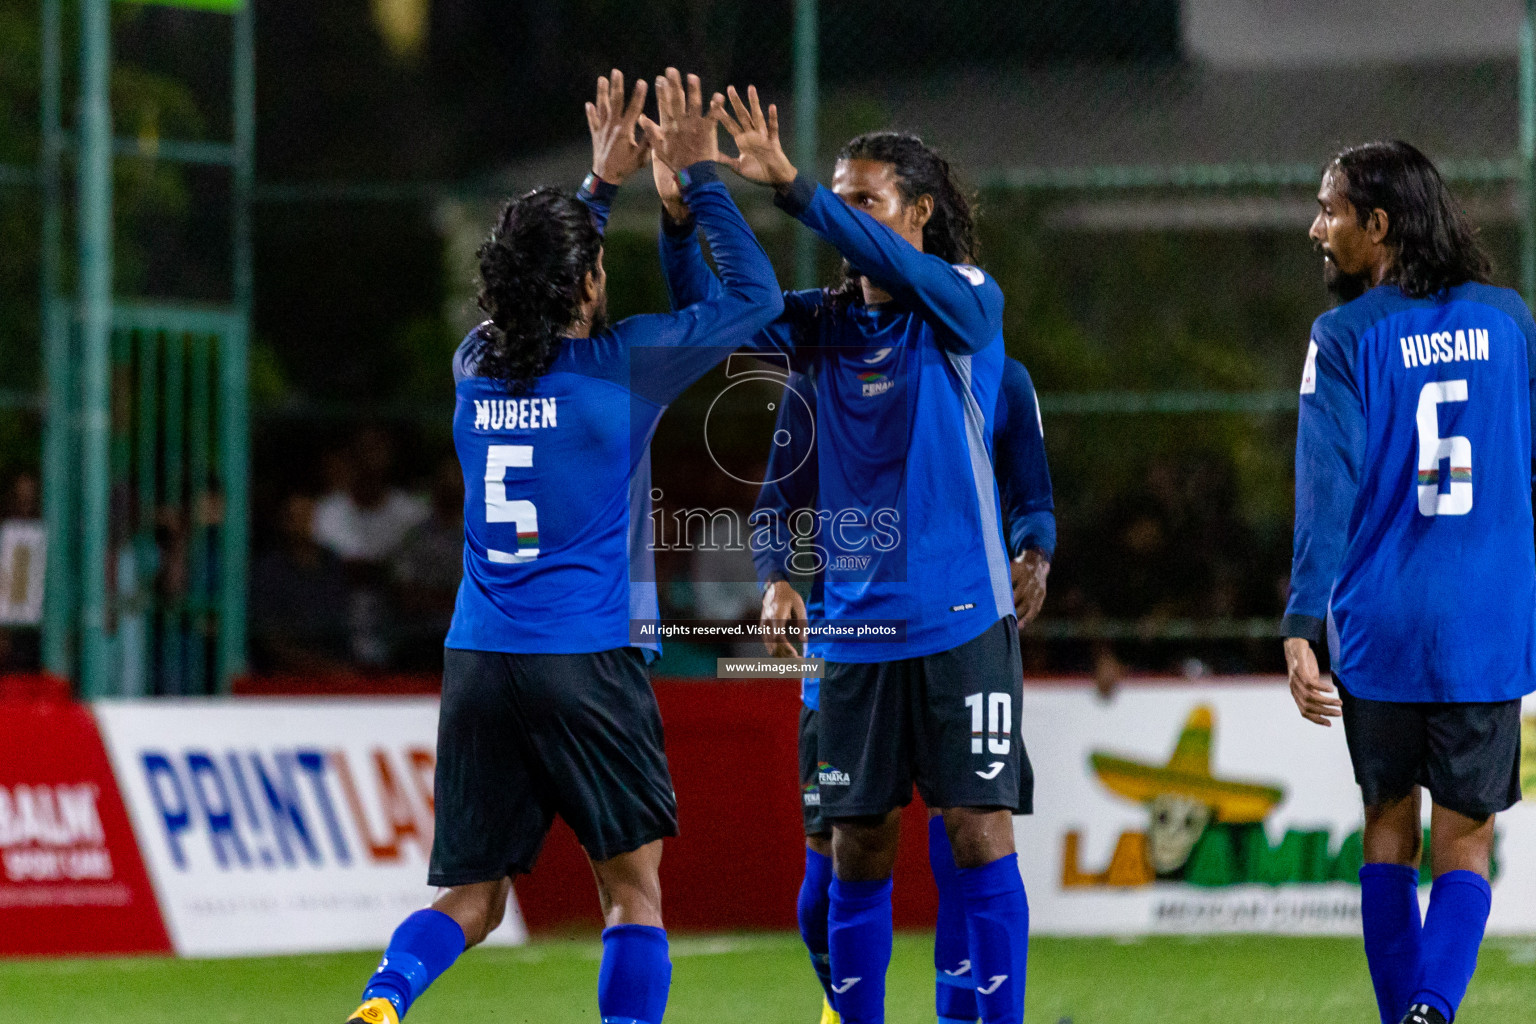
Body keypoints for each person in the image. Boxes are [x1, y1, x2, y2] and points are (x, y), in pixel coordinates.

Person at [343, 68, 783, 1024]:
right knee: (631, 894)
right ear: (587, 282)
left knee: (469, 899)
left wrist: (600, 190)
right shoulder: (619, 369)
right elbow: (753, 300)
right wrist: (697, 184)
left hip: (479, 660)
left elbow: (535, 298)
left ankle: (384, 1000)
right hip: (584, 657)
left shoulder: (472, 370)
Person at [661, 86, 1030, 1024]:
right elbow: (716, 310)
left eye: (867, 200)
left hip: (960, 623)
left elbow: (1019, 445)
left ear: (921, 212)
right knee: (857, 850)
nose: (848, 217)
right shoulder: (821, 330)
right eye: (841, 198)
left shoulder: (965, 309)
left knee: (980, 834)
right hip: (855, 631)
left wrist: (791, 191)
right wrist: (693, 199)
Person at [1283, 140, 1536, 1024]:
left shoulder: (1344, 336)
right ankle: (1432, 1010)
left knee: (1389, 827)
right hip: (1485, 621)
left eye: (1331, 211)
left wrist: (1300, 621)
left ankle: (1405, 1017)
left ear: (1378, 226)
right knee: (1466, 842)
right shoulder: (1510, 321)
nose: (1318, 228)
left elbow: (1328, 488)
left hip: (1382, 621)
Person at [751, 357, 1053, 1024]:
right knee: (825, 883)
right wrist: (776, 578)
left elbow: (1032, 496)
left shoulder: (993, 368)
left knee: (969, 833)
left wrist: (1034, 554)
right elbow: (775, 504)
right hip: (846, 654)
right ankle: (842, 1005)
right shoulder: (822, 371)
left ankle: (958, 1014)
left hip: (959, 636)